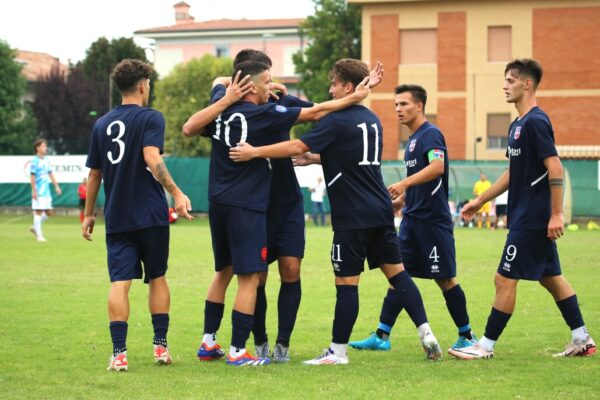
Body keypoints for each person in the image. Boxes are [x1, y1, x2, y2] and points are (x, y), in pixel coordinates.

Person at [230, 59, 441, 365]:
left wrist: (255, 151)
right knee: (397, 274)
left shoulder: (335, 119)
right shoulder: (371, 119)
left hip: (352, 216)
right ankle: (426, 332)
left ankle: (337, 352)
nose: (329, 89)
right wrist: (316, 159)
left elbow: (294, 146)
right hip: (380, 209)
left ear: (348, 88)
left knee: (346, 284)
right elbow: (349, 154)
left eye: (334, 83)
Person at [185, 49, 384, 364]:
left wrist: (358, 91)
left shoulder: (276, 103)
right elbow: (216, 91)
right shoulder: (245, 106)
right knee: (252, 275)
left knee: (287, 269)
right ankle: (251, 345)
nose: (271, 84)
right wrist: (357, 94)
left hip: (279, 200)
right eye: (266, 78)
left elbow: (320, 110)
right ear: (248, 82)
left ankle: (278, 345)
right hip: (252, 202)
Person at [449, 59, 595, 360]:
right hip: (525, 215)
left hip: (532, 217)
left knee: (504, 278)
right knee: (550, 276)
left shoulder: (536, 122)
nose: (505, 85)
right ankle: (582, 339)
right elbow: (513, 172)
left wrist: (555, 214)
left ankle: (485, 346)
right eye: (505, 80)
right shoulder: (517, 124)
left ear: (527, 84)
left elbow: (554, 166)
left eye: (511, 80)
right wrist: (481, 200)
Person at [82, 59, 193, 371]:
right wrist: (176, 191)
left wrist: (89, 215)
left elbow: (94, 175)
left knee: (119, 281)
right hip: (151, 215)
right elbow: (150, 155)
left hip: (117, 216)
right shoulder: (150, 118)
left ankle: (119, 354)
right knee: (156, 277)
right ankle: (160, 348)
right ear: (144, 85)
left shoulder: (101, 124)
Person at [349, 84, 476, 354]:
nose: (398, 109)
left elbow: (437, 168)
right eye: (396, 105)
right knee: (397, 276)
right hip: (411, 220)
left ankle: (467, 336)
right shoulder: (413, 141)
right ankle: (382, 335)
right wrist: (403, 200)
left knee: (445, 279)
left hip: (432, 222)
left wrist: (403, 184)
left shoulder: (431, 134)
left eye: (404, 104)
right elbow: (423, 181)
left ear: (419, 106)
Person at [29, 138, 61, 242]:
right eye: (43, 146)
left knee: (49, 213)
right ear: (37, 148)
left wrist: (56, 186)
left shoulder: (47, 160)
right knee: (38, 212)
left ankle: (35, 227)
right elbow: (32, 177)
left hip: (46, 191)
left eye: (45, 146)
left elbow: (50, 173)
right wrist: (34, 190)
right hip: (38, 191)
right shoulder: (34, 161)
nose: (45, 148)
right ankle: (39, 236)